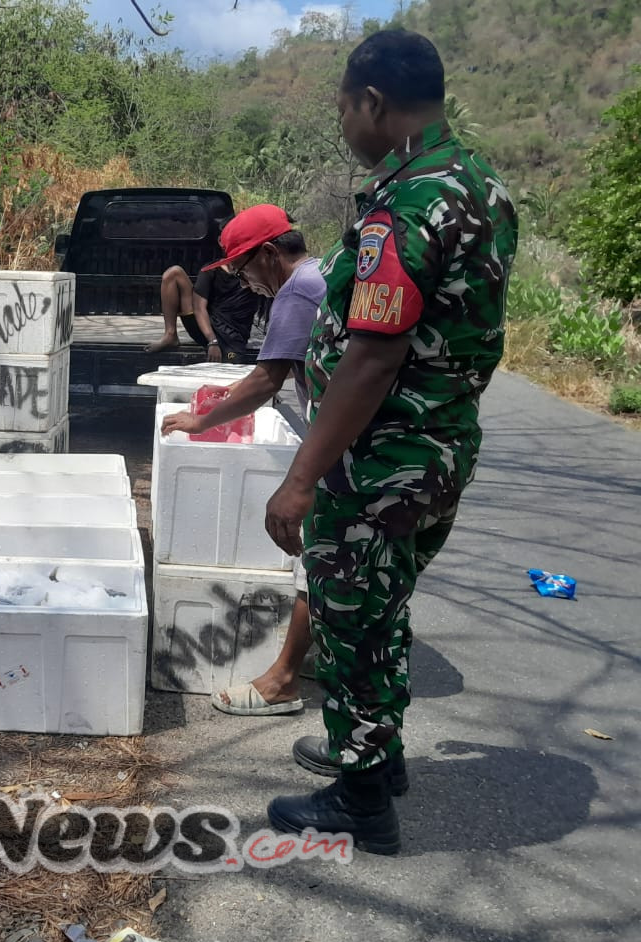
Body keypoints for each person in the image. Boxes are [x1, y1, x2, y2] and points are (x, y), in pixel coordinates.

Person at [256, 29, 518, 854]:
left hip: (382, 456)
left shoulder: (406, 201)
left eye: (343, 107)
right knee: (383, 601)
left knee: (352, 619)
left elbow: (373, 354)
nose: (343, 123)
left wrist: (303, 476)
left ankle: (362, 800)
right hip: (439, 448)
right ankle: (378, 756)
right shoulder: (482, 186)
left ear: (373, 102)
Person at [159, 204, 326, 717]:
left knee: (320, 556)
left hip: (351, 448)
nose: (243, 281)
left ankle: (282, 680)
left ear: (270, 255)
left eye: (242, 268)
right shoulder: (324, 274)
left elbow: (265, 380)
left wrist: (200, 421)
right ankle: (332, 654)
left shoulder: (297, 290)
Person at [146, 252, 266, 363]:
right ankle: (170, 335)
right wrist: (212, 341)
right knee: (173, 273)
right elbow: (199, 308)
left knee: (230, 365)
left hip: (232, 337)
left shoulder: (255, 270)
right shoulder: (211, 269)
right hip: (207, 328)